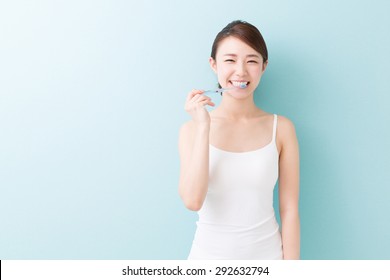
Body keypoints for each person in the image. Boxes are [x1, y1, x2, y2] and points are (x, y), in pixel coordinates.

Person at [178, 20, 300, 260]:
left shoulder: (282, 129)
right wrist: (204, 126)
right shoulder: (191, 130)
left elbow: (290, 210)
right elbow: (192, 201)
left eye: (252, 60)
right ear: (213, 64)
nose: (241, 71)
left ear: (264, 66)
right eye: (230, 60)